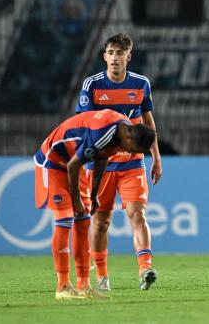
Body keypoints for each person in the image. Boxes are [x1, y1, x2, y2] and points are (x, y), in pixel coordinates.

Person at [34, 109, 156, 300]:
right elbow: (73, 165)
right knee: (66, 218)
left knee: (83, 221)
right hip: (53, 162)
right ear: (130, 138)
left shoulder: (121, 133)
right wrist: (76, 201)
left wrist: (93, 194)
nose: (130, 153)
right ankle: (63, 286)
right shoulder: (102, 133)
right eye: (132, 150)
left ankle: (84, 285)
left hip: (74, 164)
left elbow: (102, 158)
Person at [76, 33, 162, 292]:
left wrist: (156, 156)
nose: (115, 58)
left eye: (120, 53)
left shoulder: (140, 84)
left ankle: (145, 268)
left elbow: (148, 123)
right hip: (101, 166)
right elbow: (84, 125)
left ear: (128, 56)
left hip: (132, 163)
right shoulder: (92, 85)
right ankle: (102, 277)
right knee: (101, 221)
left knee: (138, 214)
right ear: (104, 56)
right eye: (110, 52)